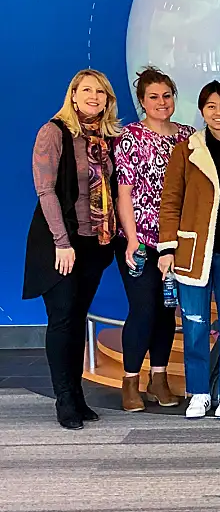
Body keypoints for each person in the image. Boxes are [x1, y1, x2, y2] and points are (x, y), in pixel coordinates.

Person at [157, 81, 220, 420]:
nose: (219, 113)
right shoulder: (186, 150)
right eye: (212, 106)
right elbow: (170, 202)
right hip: (192, 253)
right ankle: (199, 391)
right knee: (195, 324)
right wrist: (168, 249)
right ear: (202, 110)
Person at [24, 69, 121, 429]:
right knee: (62, 319)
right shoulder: (54, 132)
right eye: (87, 90)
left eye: (101, 92)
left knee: (78, 317)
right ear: (74, 94)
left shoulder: (105, 137)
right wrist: (61, 243)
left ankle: (77, 396)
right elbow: (45, 192)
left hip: (93, 242)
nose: (94, 96)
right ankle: (64, 399)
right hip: (59, 244)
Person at [115, 66, 194, 412]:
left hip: (174, 243)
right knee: (144, 309)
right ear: (142, 101)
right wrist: (131, 239)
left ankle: (159, 378)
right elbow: (124, 193)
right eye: (153, 97)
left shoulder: (188, 136)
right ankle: (130, 379)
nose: (162, 102)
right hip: (140, 241)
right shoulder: (130, 136)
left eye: (167, 95)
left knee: (166, 310)